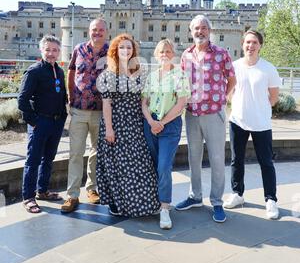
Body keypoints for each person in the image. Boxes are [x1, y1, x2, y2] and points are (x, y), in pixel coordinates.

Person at [175, 15, 236, 223]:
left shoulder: (221, 54)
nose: (200, 32)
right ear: (191, 32)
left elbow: (232, 79)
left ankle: (217, 201)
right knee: (194, 157)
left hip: (213, 114)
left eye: (203, 28)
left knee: (217, 159)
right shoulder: (186, 55)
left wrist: (222, 100)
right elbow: (182, 82)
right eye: (196, 29)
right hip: (192, 114)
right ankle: (195, 196)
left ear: (209, 31)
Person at [96, 33, 160, 217]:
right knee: (117, 166)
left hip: (135, 124)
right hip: (115, 124)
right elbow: (106, 104)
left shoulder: (140, 72)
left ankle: (145, 203)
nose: (125, 50)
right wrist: (109, 129)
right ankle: (118, 203)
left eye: (129, 47)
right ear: (115, 51)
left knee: (140, 165)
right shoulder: (108, 74)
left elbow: (145, 101)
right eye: (122, 47)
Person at [224, 30, 281, 220]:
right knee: (236, 160)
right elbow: (229, 91)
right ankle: (238, 194)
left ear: (260, 45)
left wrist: (258, 107)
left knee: (266, 162)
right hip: (238, 121)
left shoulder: (268, 68)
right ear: (242, 44)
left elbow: (273, 98)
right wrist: (238, 105)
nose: (251, 46)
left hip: (261, 123)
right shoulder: (234, 66)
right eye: (248, 42)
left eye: (254, 42)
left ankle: (271, 200)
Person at [61, 18, 108, 213]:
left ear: (106, 31)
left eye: (100, 30)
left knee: (96, 152)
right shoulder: (79, 49)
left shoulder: (111, 52)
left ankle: (92, 189)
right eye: (94, 30)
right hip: (79, 109)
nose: (97, 33)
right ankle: (72, 195)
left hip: (101, 111)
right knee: (75, 153)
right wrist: (70, 96)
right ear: (89, 31)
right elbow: (71, 73)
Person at [142, 39, 190, 229]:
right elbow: (143, 103)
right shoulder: (151, 76)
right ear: (156, 54)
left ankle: (164, 208)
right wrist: (152, 122)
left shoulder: (180, 75)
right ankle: (154, 201)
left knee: (163, 166)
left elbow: (181, 104)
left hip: (169, 126)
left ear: (174, 55)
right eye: (161, 51)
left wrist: (161, 123)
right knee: (154, 164)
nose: (165, 55)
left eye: (169, 51)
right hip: (151, 124)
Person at [18, 35, 67, 213]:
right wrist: (34, 122)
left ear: (59, 52)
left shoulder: (59, 71)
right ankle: (28, 197)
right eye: (48, 50)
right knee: (33, 160)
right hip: (40, 122)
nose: (51, 53)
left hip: (56, 122)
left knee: (49, 158)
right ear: (41, 50)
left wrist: (63, 116)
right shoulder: (34, 71)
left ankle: (42, 191)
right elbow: (22, 100)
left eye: (55, 50)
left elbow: (62, 95)